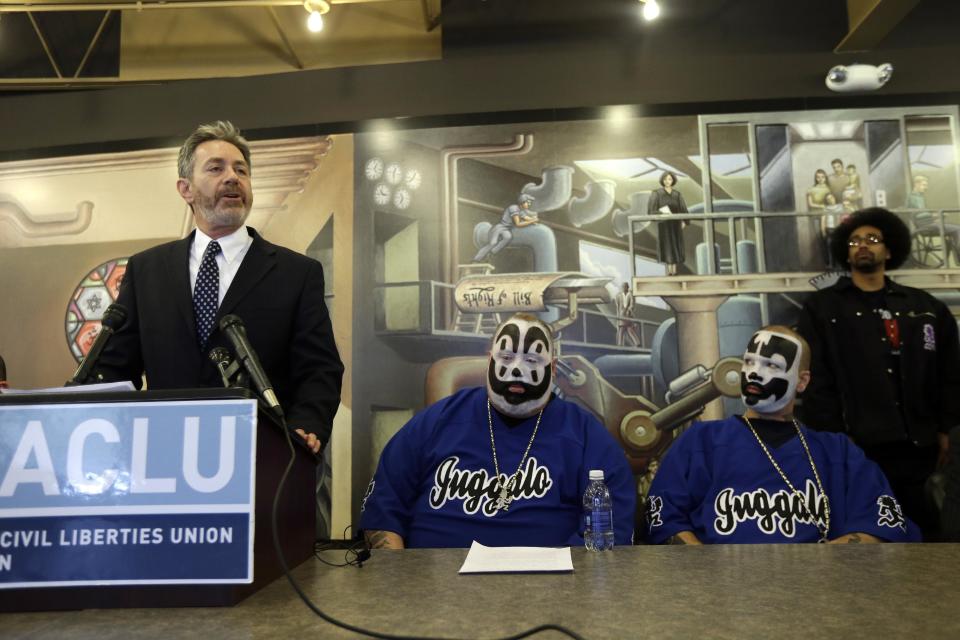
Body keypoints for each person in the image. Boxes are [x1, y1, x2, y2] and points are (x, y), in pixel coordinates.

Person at [96, 121, 343, 454]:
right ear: (185, 189)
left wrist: (306, 425)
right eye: (216, 168)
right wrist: (109, 432)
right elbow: (115, 368)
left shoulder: (296, 273)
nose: (233, 177)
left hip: (262, 455)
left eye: (241, 170)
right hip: (162, 453)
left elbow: (319, 368)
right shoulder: (146, 270)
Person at [360, 312, 636, 549]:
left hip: (550, 595)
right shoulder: (438, 420)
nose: (516, 369)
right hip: (434, 591)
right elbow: (383, 509)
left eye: (531, 360)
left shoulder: (585, 434)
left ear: (552, 369)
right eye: (506, 356)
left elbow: (611, 527)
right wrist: (395, 585)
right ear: (489, 360)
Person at [646, 325, 919, 544]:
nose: (754, 373)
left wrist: (816, 571)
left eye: (772, 366)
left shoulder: (837, 452)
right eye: (749, 362)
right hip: (721, 597)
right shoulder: (701, 441)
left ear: (802, 381)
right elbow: (664, 518)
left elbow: (884, 523)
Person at [797, 207, 960, 539]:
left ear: (889, 249)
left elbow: (949, 374)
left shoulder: (926, 307)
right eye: (854, 240)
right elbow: (816, 380)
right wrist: (833, 438)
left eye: (872, 239)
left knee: (925, 537)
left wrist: (945, 429)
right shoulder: (823, 308)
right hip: (855, 449)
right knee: (861, 539)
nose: (862, 245)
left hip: (918, 448)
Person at [472, 193, 539, 262]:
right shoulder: (513, 208)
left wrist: (533, 220)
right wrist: (532, 221)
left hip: (506, 229)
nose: (529, 204)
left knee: (508, 237)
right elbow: (518, 224)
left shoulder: (520, 211)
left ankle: (491, 253)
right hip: (499, 228)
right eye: (528, 202)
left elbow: (526, 217)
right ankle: (476, 259)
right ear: (522, 202)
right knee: (493, 243)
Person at [647, 171, 688, 276]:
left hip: (676, 225)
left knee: (675, 247)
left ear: (673, 180)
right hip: (664, 224)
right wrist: (661, 213)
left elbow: (683, 209)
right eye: (665, 179)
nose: (667, 181)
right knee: (667, 247)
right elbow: (651, 211)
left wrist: (684, 221)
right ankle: (669, 272)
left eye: (669, 179)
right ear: (662, 180)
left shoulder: (677, 194)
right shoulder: (656, 193)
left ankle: (674, 271)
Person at [615, 282, 641, 347]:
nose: (624, 288)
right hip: (621, 315)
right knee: (621, 330)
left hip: (628, 315)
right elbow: (618, 306)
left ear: (627, 287)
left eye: (625, 287)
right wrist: (618, 316)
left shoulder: (630, 295)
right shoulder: (618, 295)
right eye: (623, 287)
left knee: (629, 329)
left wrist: (629, 310)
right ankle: (620, 344)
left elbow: (632, 304)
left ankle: (637, 343)